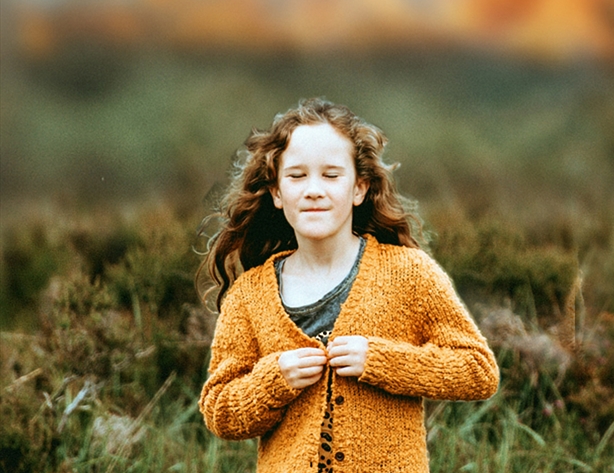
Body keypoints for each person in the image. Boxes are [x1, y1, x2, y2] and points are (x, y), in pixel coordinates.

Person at [197, 97, 498, 472]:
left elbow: (478, 369)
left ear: (359, 188)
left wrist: (382, 361)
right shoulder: (249, 294)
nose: (313, 189)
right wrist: (274, 380)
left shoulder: (409, 273)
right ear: (276, 192)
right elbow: (219, 411)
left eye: (331, 174)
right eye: (296, 176)